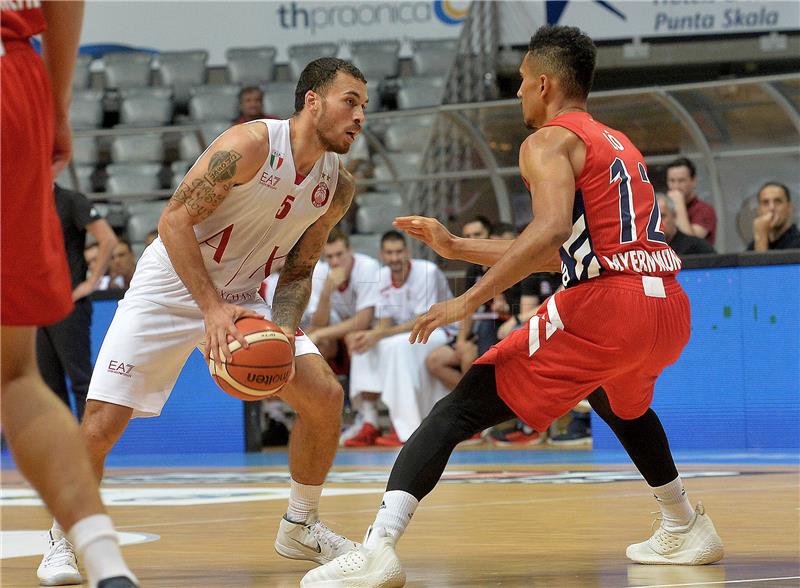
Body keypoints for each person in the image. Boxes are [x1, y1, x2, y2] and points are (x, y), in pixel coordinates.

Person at [302, 25, 724, 587]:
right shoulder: (618, 143)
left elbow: (548, 234)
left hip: (608, 308)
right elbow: (565, 253)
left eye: (523, 84)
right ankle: (685, 523)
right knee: (615, 400)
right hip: (667, 307)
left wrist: (468, 299)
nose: (519, 95)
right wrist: (456, 247)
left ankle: (376, 550)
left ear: (545, 84)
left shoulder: (546, 141)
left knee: (459, 409)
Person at [37, 57, 369, 580]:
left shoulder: (336, 187)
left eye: (364, 108)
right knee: (100, 426)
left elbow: (300, 268)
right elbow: (172, 220)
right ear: (312, 101)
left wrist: (282, 328)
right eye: (350, 102)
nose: (359, 117)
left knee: (324, 396)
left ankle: (300, 526)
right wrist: (211, 308)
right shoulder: (250, 145)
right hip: (169, 286)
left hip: (245, 294)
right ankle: (63, 538)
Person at [1, 2, 139, 587]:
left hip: (75, 302)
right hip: (14, 79)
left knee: (62, 380)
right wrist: (55, 106)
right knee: (17, 378)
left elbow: (107, 242)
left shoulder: (76, 208)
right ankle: (105, 562)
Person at [343, 230, 453, 447]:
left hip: (443, 330)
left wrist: (379, 334)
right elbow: (385, 321)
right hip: (408, 332)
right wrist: (371, 336)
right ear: (382, 255)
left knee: (397, 346)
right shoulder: (382, 276)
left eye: (399, 252)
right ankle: (370, 421)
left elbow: (423, 320)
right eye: (390, 253)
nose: (395, 258)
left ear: (408, 252)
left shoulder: (427, 272)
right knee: (361, 343)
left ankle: (405, 426)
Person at [37, 184, 118, 422]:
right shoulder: (28, 202)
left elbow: (108, 239)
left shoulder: (70, 200)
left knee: (80, 378)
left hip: (68, 304)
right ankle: (61, 450)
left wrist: (91, 282)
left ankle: (87, 449)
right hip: (38, 306)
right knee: (48, 384)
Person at [423, 216, 490, 392]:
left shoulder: (504, 263)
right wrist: (461, 340)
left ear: (490, 236)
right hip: (474, 331)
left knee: (468, 358)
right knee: (434, 361)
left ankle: (474, 407)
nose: (473, 240)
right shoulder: (473, 269)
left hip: (495, 329)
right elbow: (468, 308)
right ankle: (474, 403)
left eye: (478, 234)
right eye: (468, 236)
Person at [308, 227, 380, 363]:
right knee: (311, 340)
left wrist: (319, 334)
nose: (335, 262)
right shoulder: (320, 272)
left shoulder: (367, 267)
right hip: (339, 328)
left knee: (354, 337)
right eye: (329, 256)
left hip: (371, 326)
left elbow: (363, 321)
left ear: (350, 251)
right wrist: (326, 293)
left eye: (339, 254)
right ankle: (325, 383)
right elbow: (318, 323)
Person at [665, 156, 717, 245]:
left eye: (681, 181)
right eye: (672, 181)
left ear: (693, 181)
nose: (676, 186)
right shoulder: (665, 209)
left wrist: (679, 204)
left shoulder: (704, 210)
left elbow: (691, 244)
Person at [747, 182, 800, 251]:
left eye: (778, 201)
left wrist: (761, 236)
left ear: (789, 208)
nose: (771, 208)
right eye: (765, 202)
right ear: (759, 210)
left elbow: (763, 262)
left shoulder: (797, 243)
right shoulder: (754, 245)